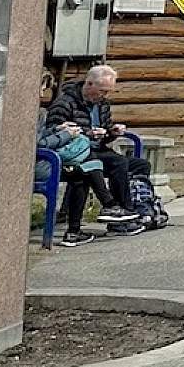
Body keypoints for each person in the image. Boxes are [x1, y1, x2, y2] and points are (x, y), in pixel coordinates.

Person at [42, 65, 144, 238]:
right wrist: (86, 133)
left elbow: (104, 136)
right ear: (89, 84)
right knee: (116, 164)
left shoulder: (102, 104)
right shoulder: (65, 103)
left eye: (108, 92)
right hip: (75, 153)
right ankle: (118, 213)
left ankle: (130, 209)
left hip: (97, 149)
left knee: (140, 165)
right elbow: (53, 133)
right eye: (103, 91)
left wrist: (112, 132)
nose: (104, 96)